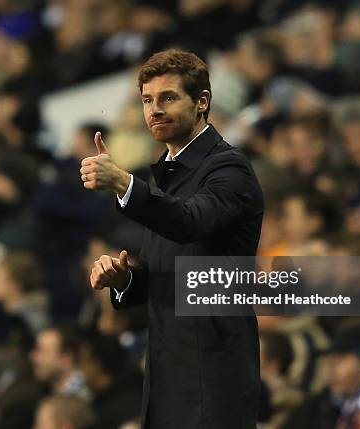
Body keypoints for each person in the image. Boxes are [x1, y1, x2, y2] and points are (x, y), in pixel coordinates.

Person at [81, 49, 264, 428]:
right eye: (147, 100)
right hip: (167, 372)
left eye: (168, 97)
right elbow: (164, 273)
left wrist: (122, 183)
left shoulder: (229, 168)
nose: (154, 110)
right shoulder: (168, 175)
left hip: (214, 375)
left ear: (202, 102)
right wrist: (125, 278)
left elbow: (188, 222)